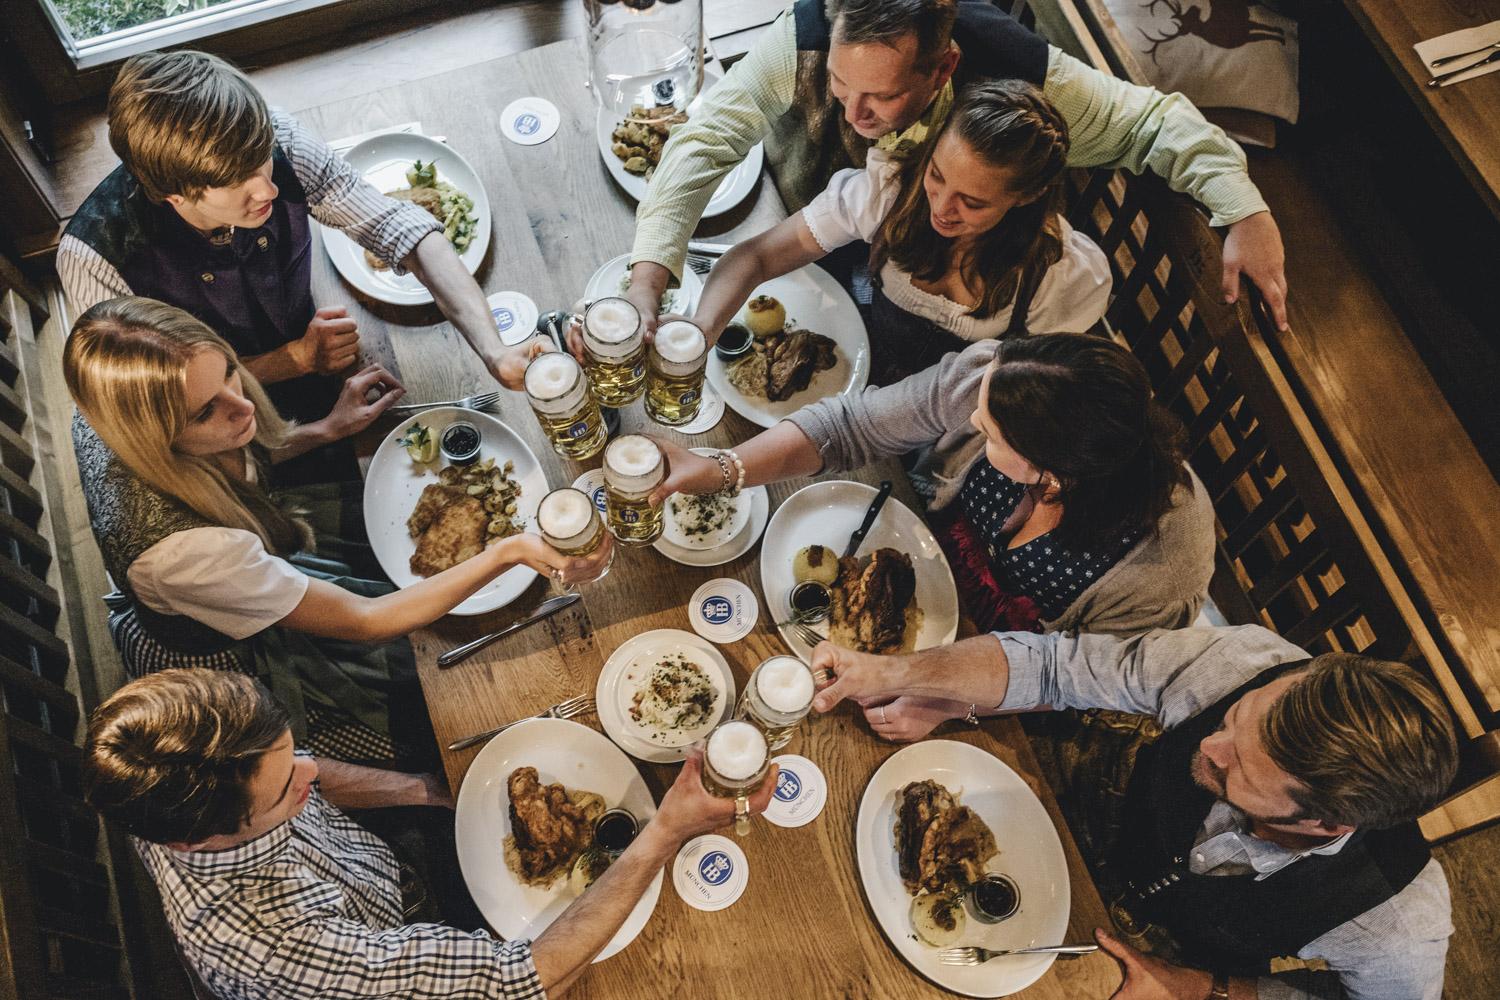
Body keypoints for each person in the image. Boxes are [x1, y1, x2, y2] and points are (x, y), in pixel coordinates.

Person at [65, 297, 609, 764]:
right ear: (153, 434)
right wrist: (508, 551)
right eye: (207, 411)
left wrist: (327, 430)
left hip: (247, 536)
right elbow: (367, 622)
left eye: (230, 371)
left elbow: (237, 454)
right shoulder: (184, 556)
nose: (243, 404)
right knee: (431, 690)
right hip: (224, 644)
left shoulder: (112, 398)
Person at [810, 625, 1459, 1000]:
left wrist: (1204, 988)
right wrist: (903, 672)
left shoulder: (1397, 925)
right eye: (1235, 720)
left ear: (1325, 824)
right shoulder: (1245, 661)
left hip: (1158, 964)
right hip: (1084, 809)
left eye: (1238, 768)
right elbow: (1056, 666)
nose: (1208, 744)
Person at [82, 668, 777, 999]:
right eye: (282, 789)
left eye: (290, 751)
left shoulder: (176, 763)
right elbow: (514, 981)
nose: (306, 774)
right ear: (196, 841)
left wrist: (424, 791)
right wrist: (664, 833)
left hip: (389, 883)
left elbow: (304, 772)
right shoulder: (276, 951)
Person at [625, 0, 1288, 336]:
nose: (855, 114)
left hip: (940, 303)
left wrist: (1245, 210)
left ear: (942, 68)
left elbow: (1153, 124)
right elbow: (706, 139)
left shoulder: (1021, 81)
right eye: (838, 86)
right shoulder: (807, 32)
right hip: (800, 220)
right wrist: (648, 281)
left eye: (881, 97)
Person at [656, 334, 1213, 728]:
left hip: (1002, 685)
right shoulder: (1006, 378)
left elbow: (1070, 678)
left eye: (990, 434)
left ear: (1055, 474)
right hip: (916, 564)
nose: (972, 420)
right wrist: (726, 470)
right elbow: (853, 426)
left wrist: (944, 703)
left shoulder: (1162, 565)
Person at [58, 50, 542, 482]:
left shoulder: (275, 139)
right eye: (238, 182)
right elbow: (170, 418)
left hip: (315, 362)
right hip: (225, 445)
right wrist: (295, 360)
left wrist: (493, 350)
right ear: (174, 194)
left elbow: (399, 228)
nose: (268, 188)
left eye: (261, 161)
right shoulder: (97, 263)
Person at [689, 78, 1109, 385]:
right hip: (848, 370)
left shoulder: (1058, 277)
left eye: (972, 202)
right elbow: (758, 257)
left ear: (1027, 196)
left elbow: (1028, 393)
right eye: (937, 174)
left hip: (948, 422)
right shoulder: (887, 193)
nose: (941, 208)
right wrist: (698, 333)